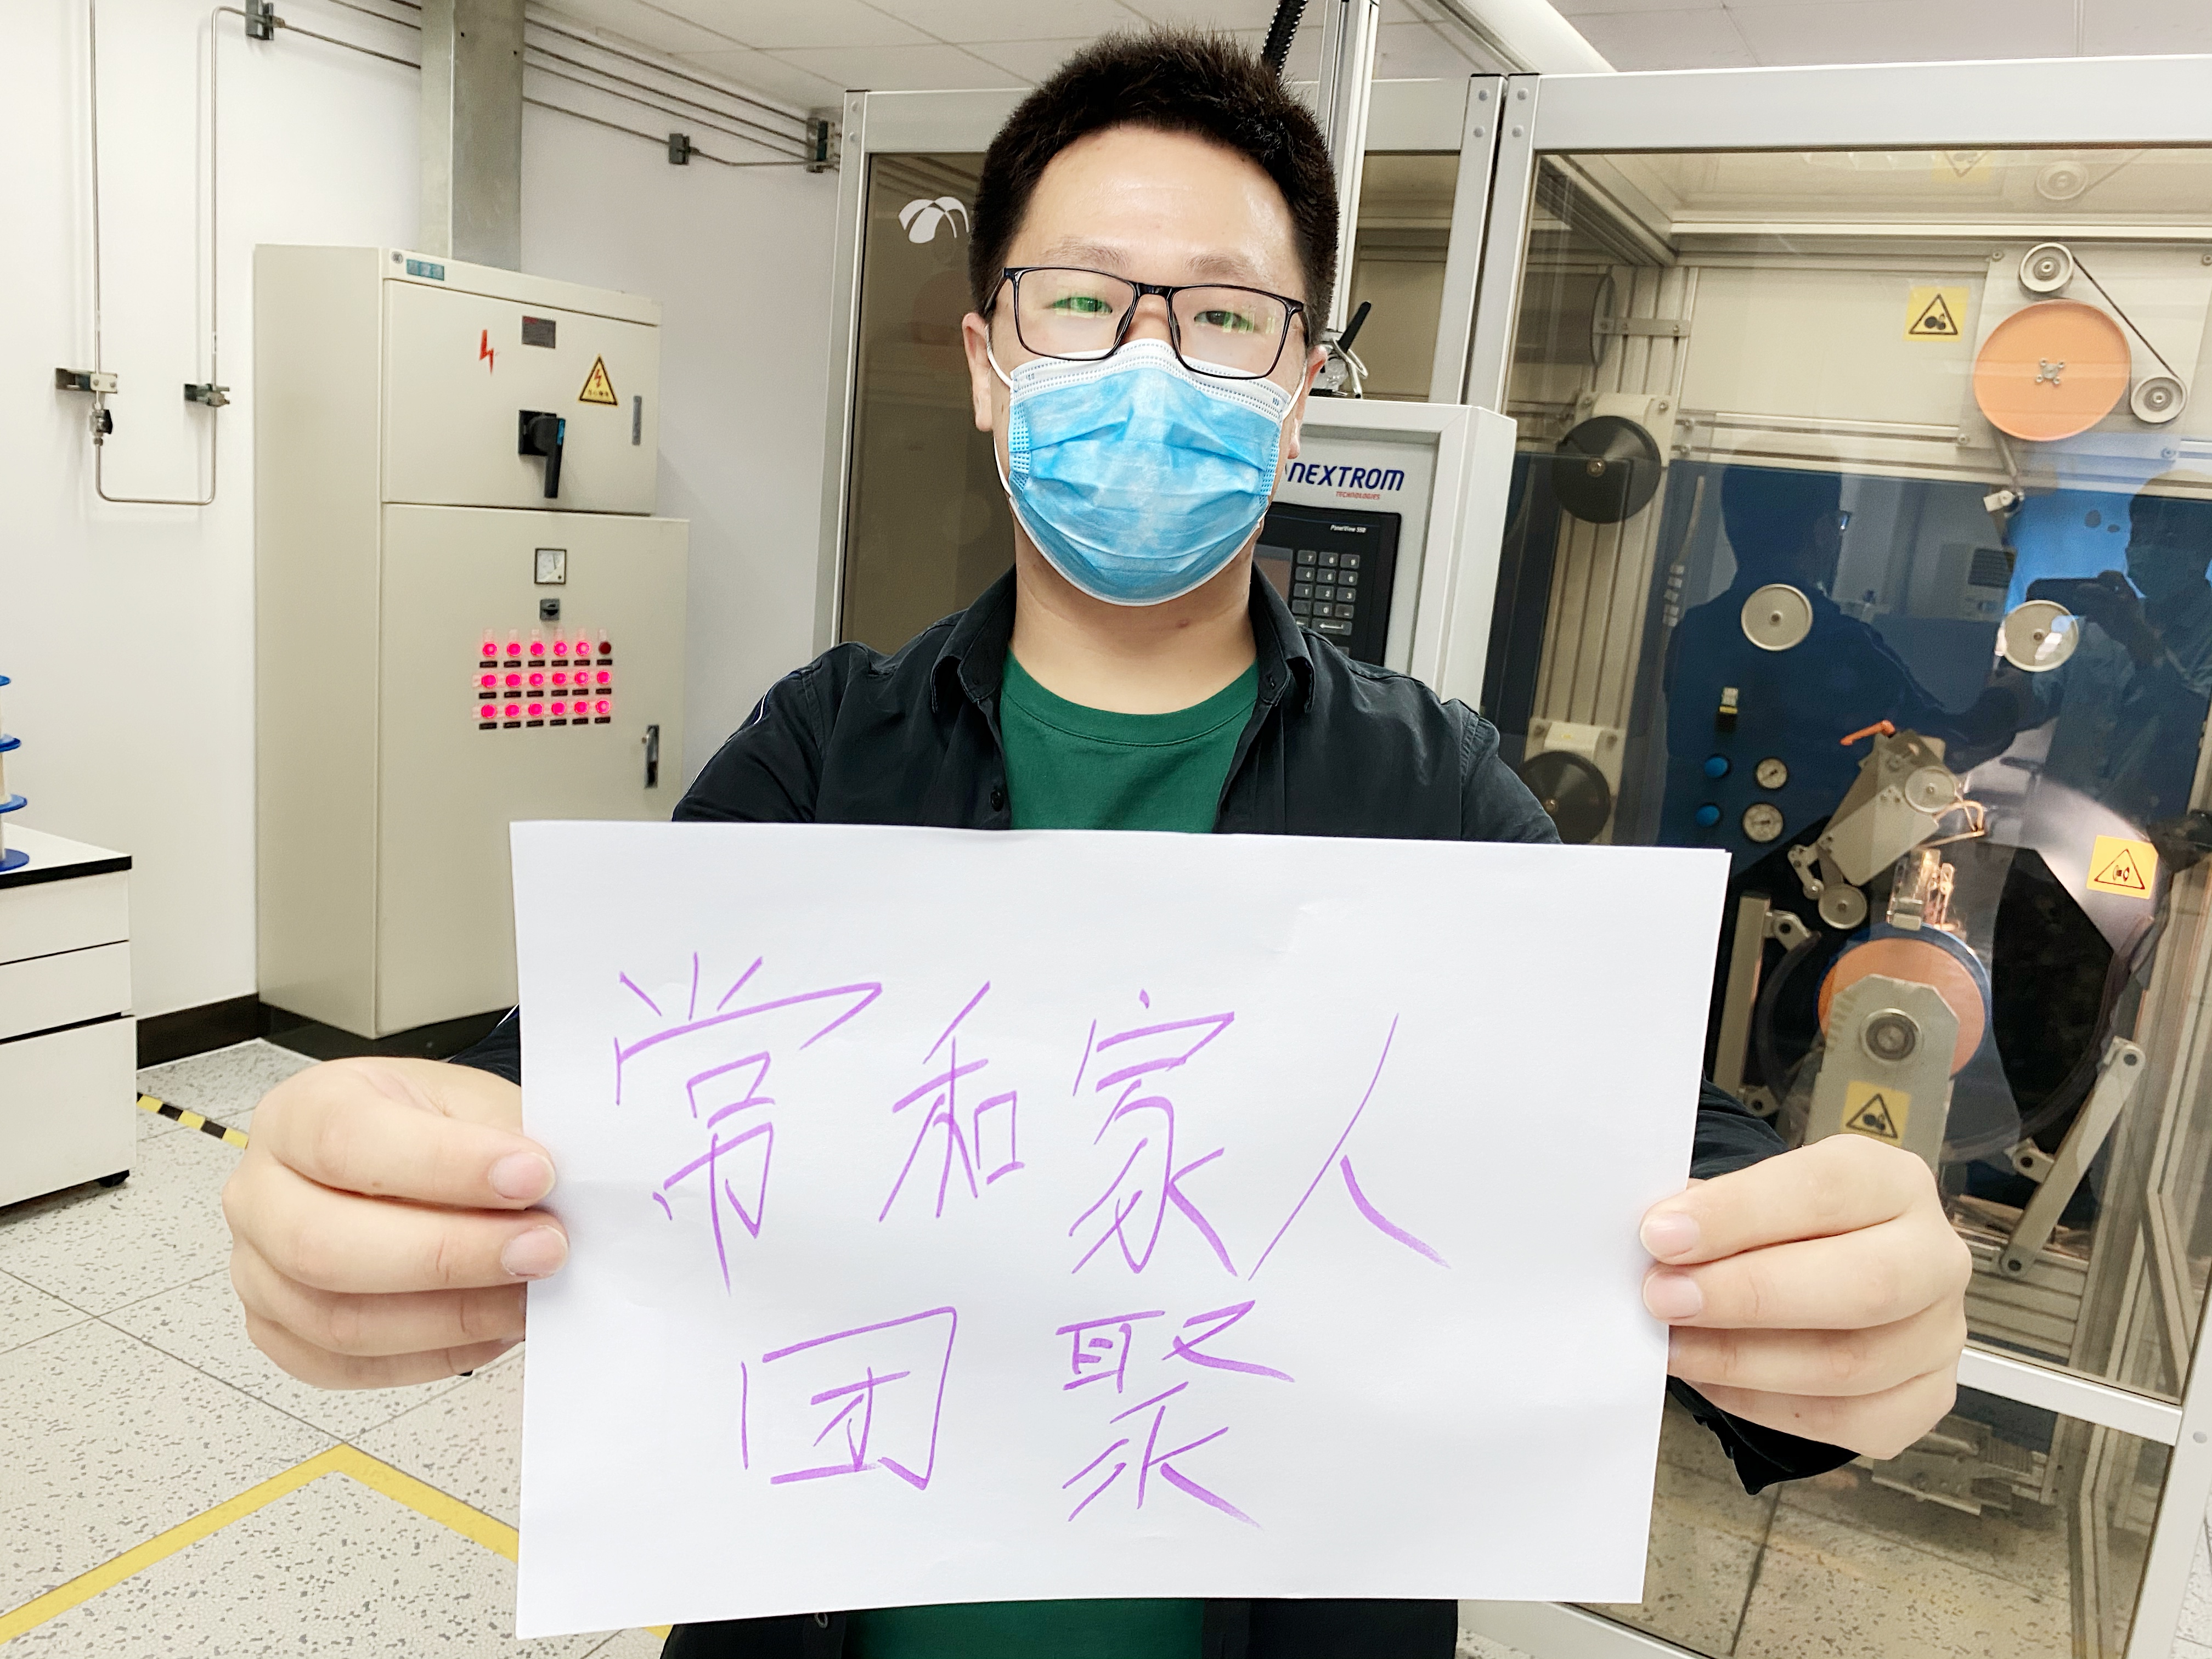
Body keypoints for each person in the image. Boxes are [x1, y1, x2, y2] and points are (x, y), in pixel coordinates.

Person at [222, 31, 1970, 1659]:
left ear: (1300, 389)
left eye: (1224, 318)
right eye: (1079, 305)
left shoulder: (1429, 786)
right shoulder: (828, 752)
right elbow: (570, 1100)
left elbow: (1665, 1154)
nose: (1147, 365)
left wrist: (1827, 1297)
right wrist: (390, 1177)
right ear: (990, 369)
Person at [1663, 466, 2019, 847]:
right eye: (1840, 524)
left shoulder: (1695, 632)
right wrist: (2021, 686)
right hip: (1792, 865)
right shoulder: (1842, 647)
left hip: (1689, 852)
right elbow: (1950, 744)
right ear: (1823, 532)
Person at [2026, 477, 2212, 833]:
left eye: (2169, 537)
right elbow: (2037, 701)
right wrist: (2016, 665)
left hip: (2152, 842)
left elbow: (2192, 726)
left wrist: (2138, 641)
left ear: (2205, 546)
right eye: (2140, 535)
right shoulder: (2095, 626)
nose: (2148, 549)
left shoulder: (2202, 636)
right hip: (2052, 834)